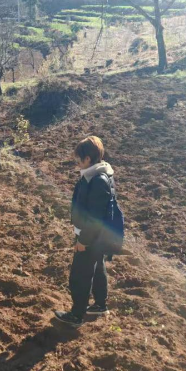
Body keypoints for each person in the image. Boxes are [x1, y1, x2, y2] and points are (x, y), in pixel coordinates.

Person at [55, 136, 114, 327]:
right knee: (97, 267)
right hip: (97, 237)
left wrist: (83, 240)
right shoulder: (94, 175)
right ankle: (100, 304)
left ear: (87, 158)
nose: (77, 162)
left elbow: (95, 218)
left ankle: (76, 315)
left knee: (80, 274)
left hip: (91, 237)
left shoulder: (97, 180)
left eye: (78, 159)